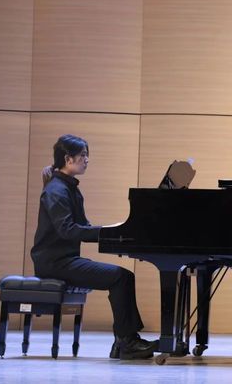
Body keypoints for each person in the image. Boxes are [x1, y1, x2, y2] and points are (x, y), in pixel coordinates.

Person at [31, 134, 157, 360]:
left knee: (123, 276)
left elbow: (83, 227)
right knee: (120, 277)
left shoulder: (69, 188)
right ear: (68, 159)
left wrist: (115, 232)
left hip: (64, 259)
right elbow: (68, 230)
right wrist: (107, 232)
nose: (87, 160)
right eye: (83, 155)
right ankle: (126, 342)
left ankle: (123, 342)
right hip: (54, 263)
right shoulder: (56, 190)